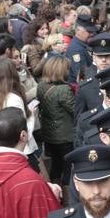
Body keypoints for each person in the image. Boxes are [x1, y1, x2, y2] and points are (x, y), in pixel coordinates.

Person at [36, 53, 78, 183]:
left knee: (56, 164)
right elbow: (75, 111)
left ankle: (55, 193)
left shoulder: (41, 85)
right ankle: (67, 198)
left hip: (49, 134)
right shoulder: (64, 90)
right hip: (65, 135)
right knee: (68, 167)